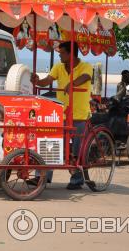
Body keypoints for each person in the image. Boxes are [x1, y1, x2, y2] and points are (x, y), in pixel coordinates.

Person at [31, 41, 93, 190]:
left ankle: (77, 179)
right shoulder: (58, 67)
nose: (59, 55)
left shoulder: (86, 66)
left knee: (76, 150)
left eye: (62, 53)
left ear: (71, 54)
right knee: (50, 144)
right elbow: (48, 80)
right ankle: (42, 177)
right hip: (60, 114)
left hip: (79, 115)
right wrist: (38, 81)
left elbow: (85, 77)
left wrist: (72, 83)